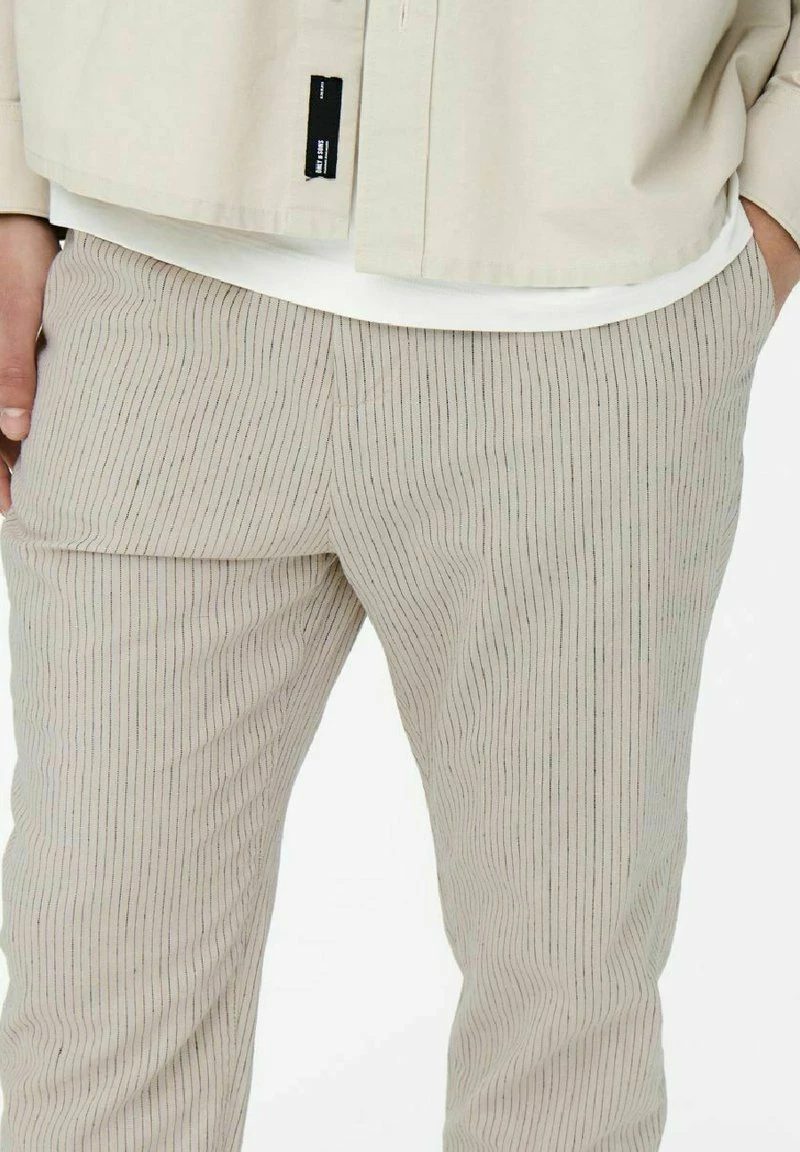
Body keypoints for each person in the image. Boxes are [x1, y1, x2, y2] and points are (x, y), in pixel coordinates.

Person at [0, 0, 798, 1148]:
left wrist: (779, 200)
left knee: (564, 1040)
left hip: (589, 321)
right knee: (91, 1041)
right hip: (148, 291)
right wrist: (9, 166)